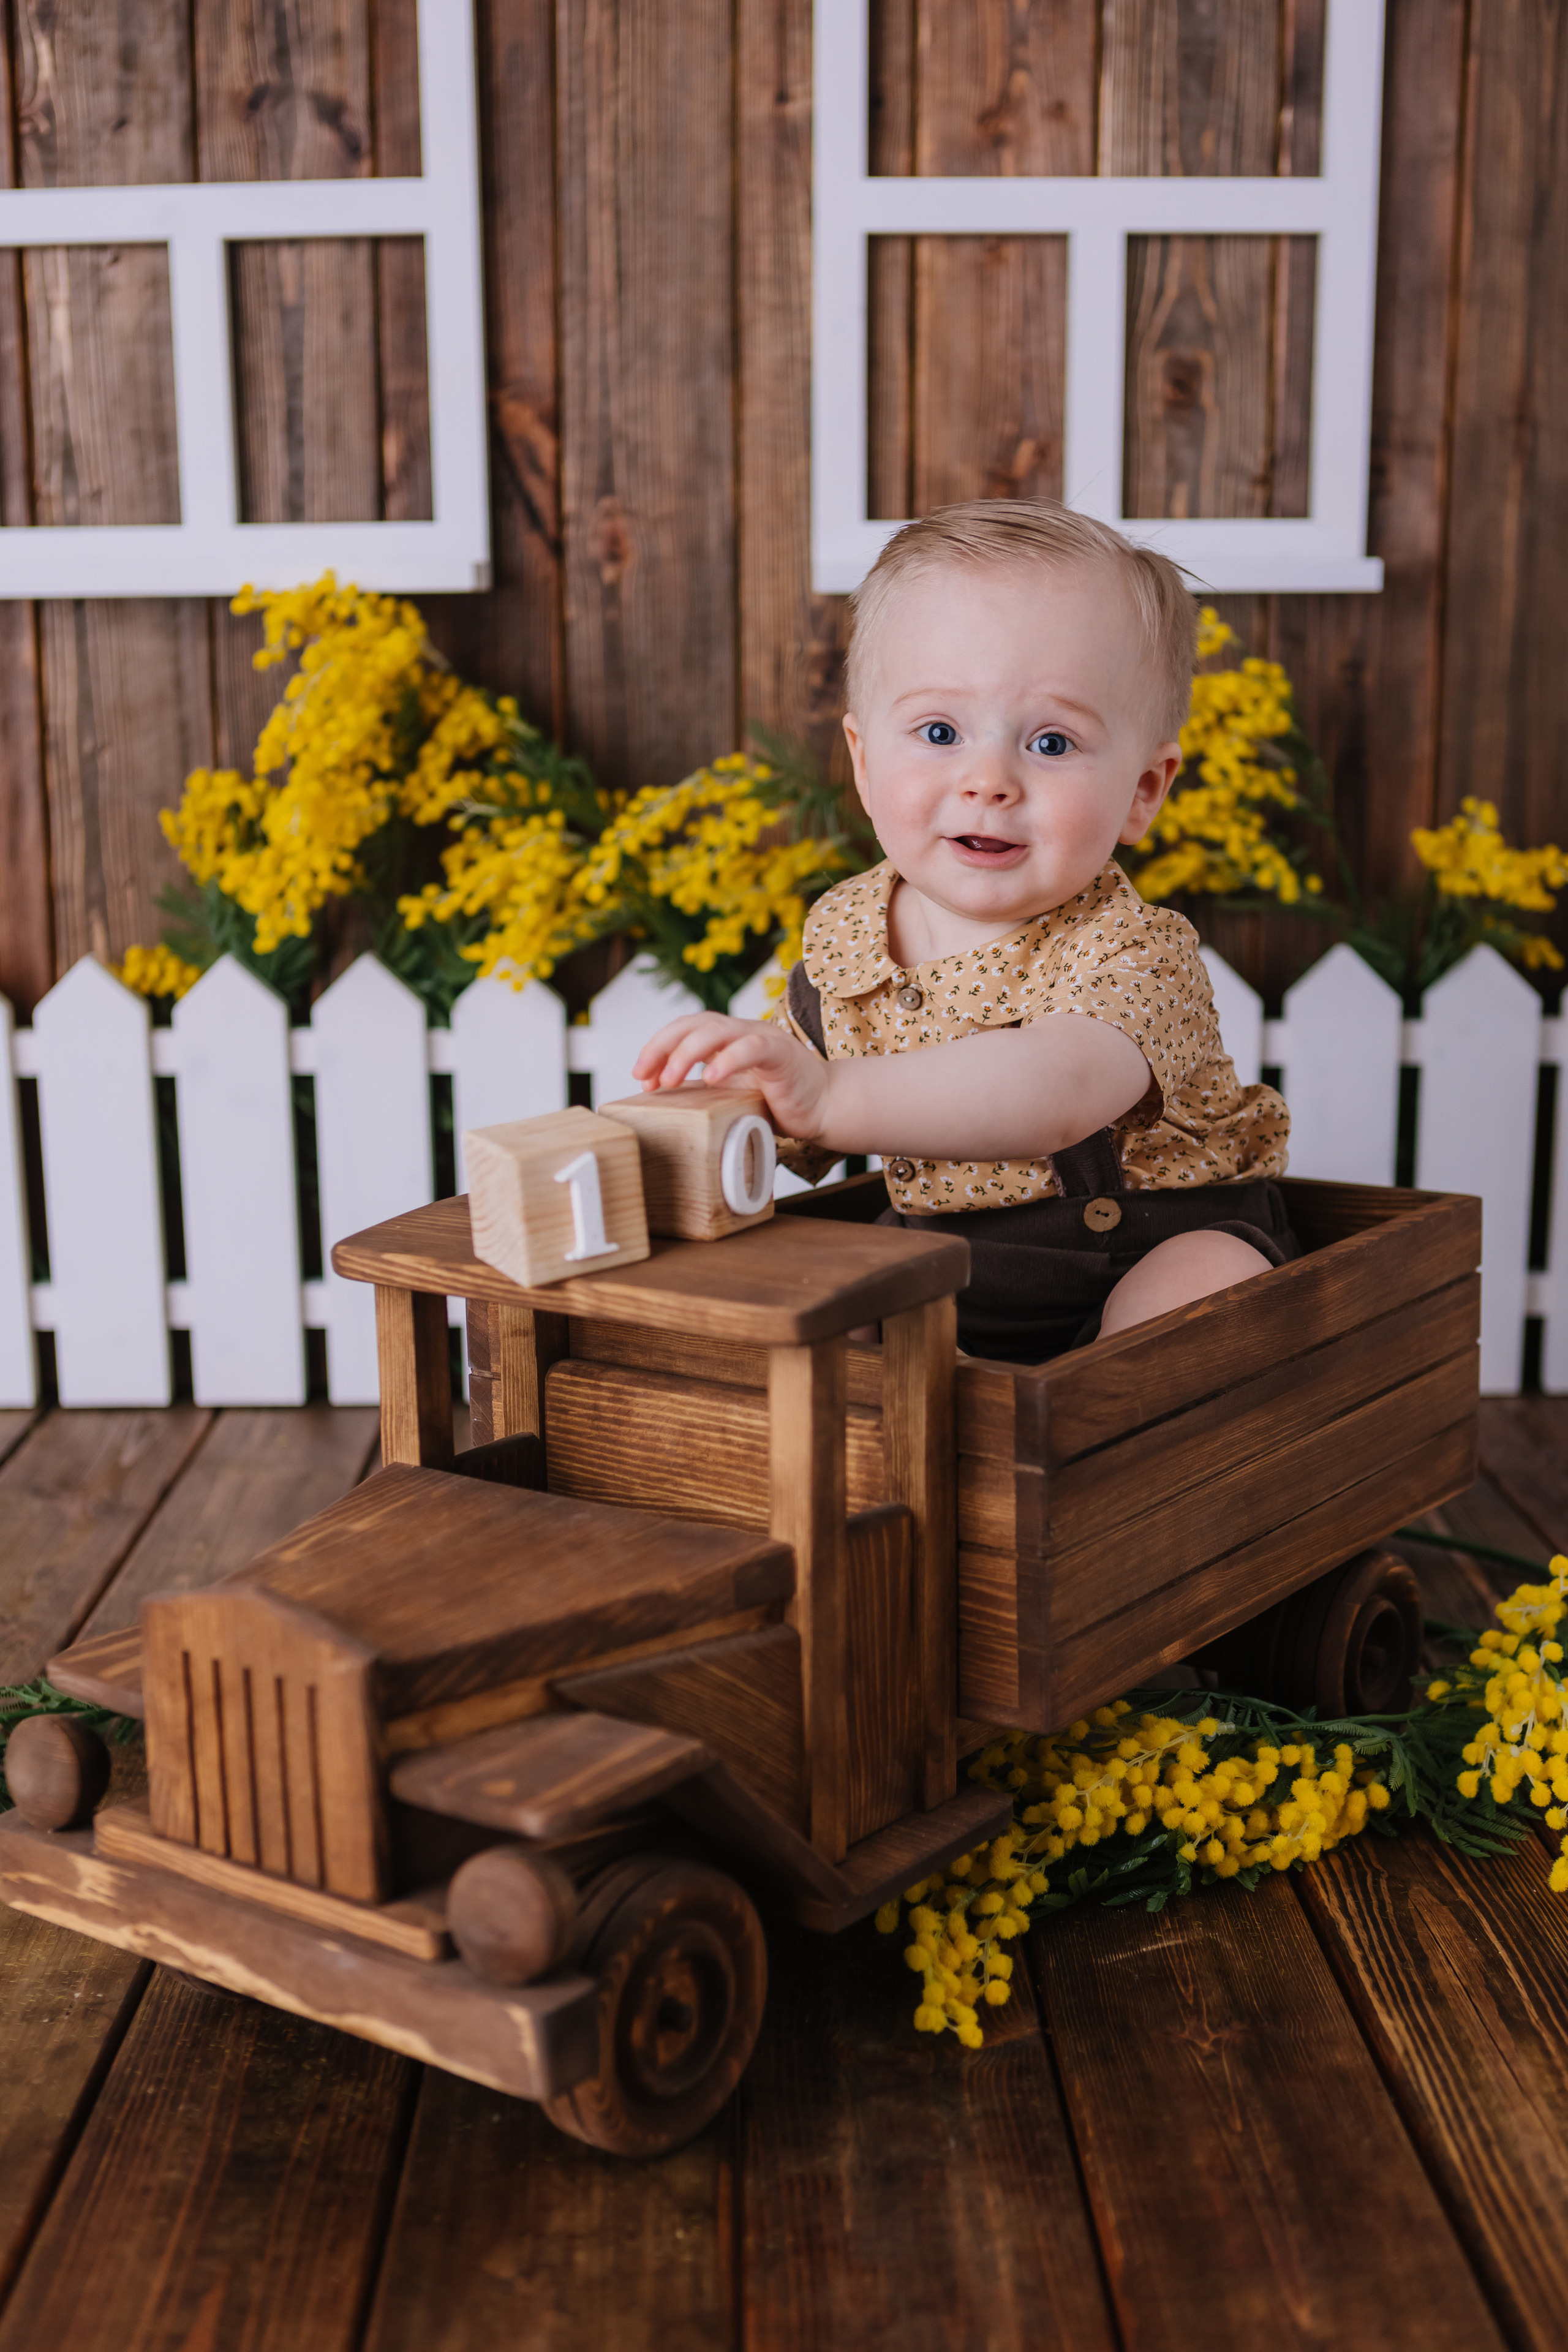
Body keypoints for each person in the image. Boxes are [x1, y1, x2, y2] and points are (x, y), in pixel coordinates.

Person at [632, 499, 1295, 1363]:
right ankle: (900, 1462)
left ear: (1143, 791)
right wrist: (703, 1107)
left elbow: (1049, 1091)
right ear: (865, 765)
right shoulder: (850, 941)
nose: (990, 780)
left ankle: (1103, 1471)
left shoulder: (1135, 950)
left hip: (1148, 1248)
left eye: (1053, 743)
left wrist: (832, 1097)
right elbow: (783, 1116)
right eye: (940, 732)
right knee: (821, 1313)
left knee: (1207, 1287)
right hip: (949, 1273)